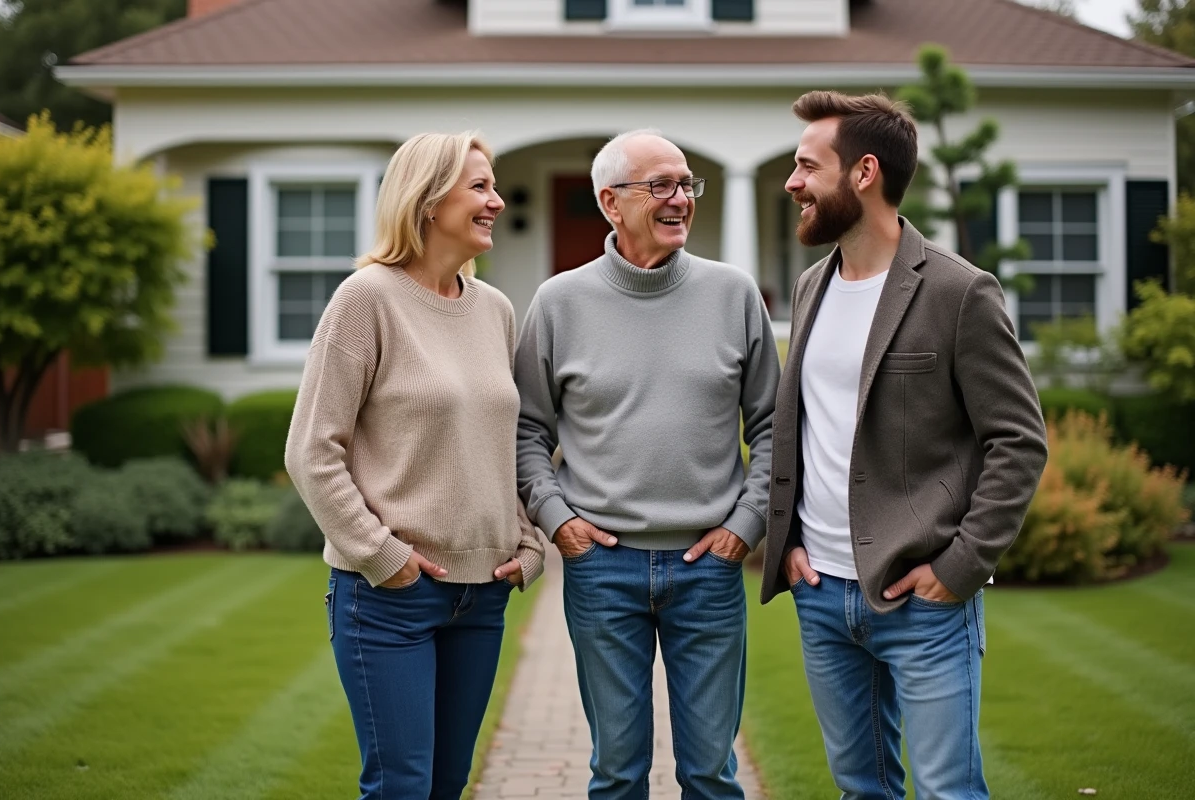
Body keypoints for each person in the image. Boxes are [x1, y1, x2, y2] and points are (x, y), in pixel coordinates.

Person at [759, 91, 1048, 799]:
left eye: (806, 166)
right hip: (821, 594)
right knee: (863, 788)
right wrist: (789, 541)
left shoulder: (959, 291)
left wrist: (961, 563)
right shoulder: (810, 286)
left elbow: (1019, 439)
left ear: (863, 173)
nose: (792, 182)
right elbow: (804, 422)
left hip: (922, 600)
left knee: (949, 790)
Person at [514, 129, 780, 800]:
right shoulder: (557, 303)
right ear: (611, 202)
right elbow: (527, 431)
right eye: (661, 185)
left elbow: (775, 427)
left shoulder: (735, 294)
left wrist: (745, 526)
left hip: (709, 570)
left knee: (712, 776)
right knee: (617, 775)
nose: (680, 199)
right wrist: (558, 521)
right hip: (601, 568)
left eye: (687, 183)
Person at [285, 131, 545, 800]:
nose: (495, 201)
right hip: (388, 599)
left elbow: (500, 441)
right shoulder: (365, 300)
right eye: (479, 187)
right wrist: (380, 553)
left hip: (483, 595)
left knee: (447, 785)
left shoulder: (495, 310)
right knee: (402, 786)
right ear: (428, 201)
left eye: (494, 187)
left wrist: (529, 541)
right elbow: (311, 451)